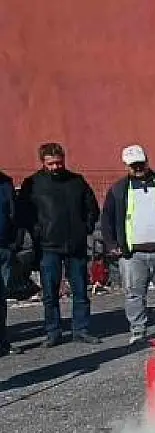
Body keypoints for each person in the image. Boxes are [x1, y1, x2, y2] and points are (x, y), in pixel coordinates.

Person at [15, 143, 101, 346]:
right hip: (48, 247)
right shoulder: (33, 184)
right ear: (43, 162)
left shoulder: (76, 181)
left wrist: (85, 228)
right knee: (50, 294)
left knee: (80, 291)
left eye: (59, 162)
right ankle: (53, 332)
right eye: (51, 163)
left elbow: (92, 208)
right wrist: (38, 232)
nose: (55, 167)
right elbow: (23, 213)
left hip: (76, 246)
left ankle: (81, 329)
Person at [101, 144, 155, 345]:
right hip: (133, 254)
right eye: (133, 165)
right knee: (134, 295)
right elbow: (107, 219)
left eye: (140, 163)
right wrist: (111, 244)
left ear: (147, 161)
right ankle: (138, 331)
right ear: (126, 165)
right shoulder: (118, 190)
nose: (138, 168)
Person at [0, 168, 21, 355]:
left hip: (3, 248)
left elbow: (14, 214)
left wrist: (14, 243)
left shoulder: (5, 183)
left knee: (1, 298)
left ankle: (2, 342)